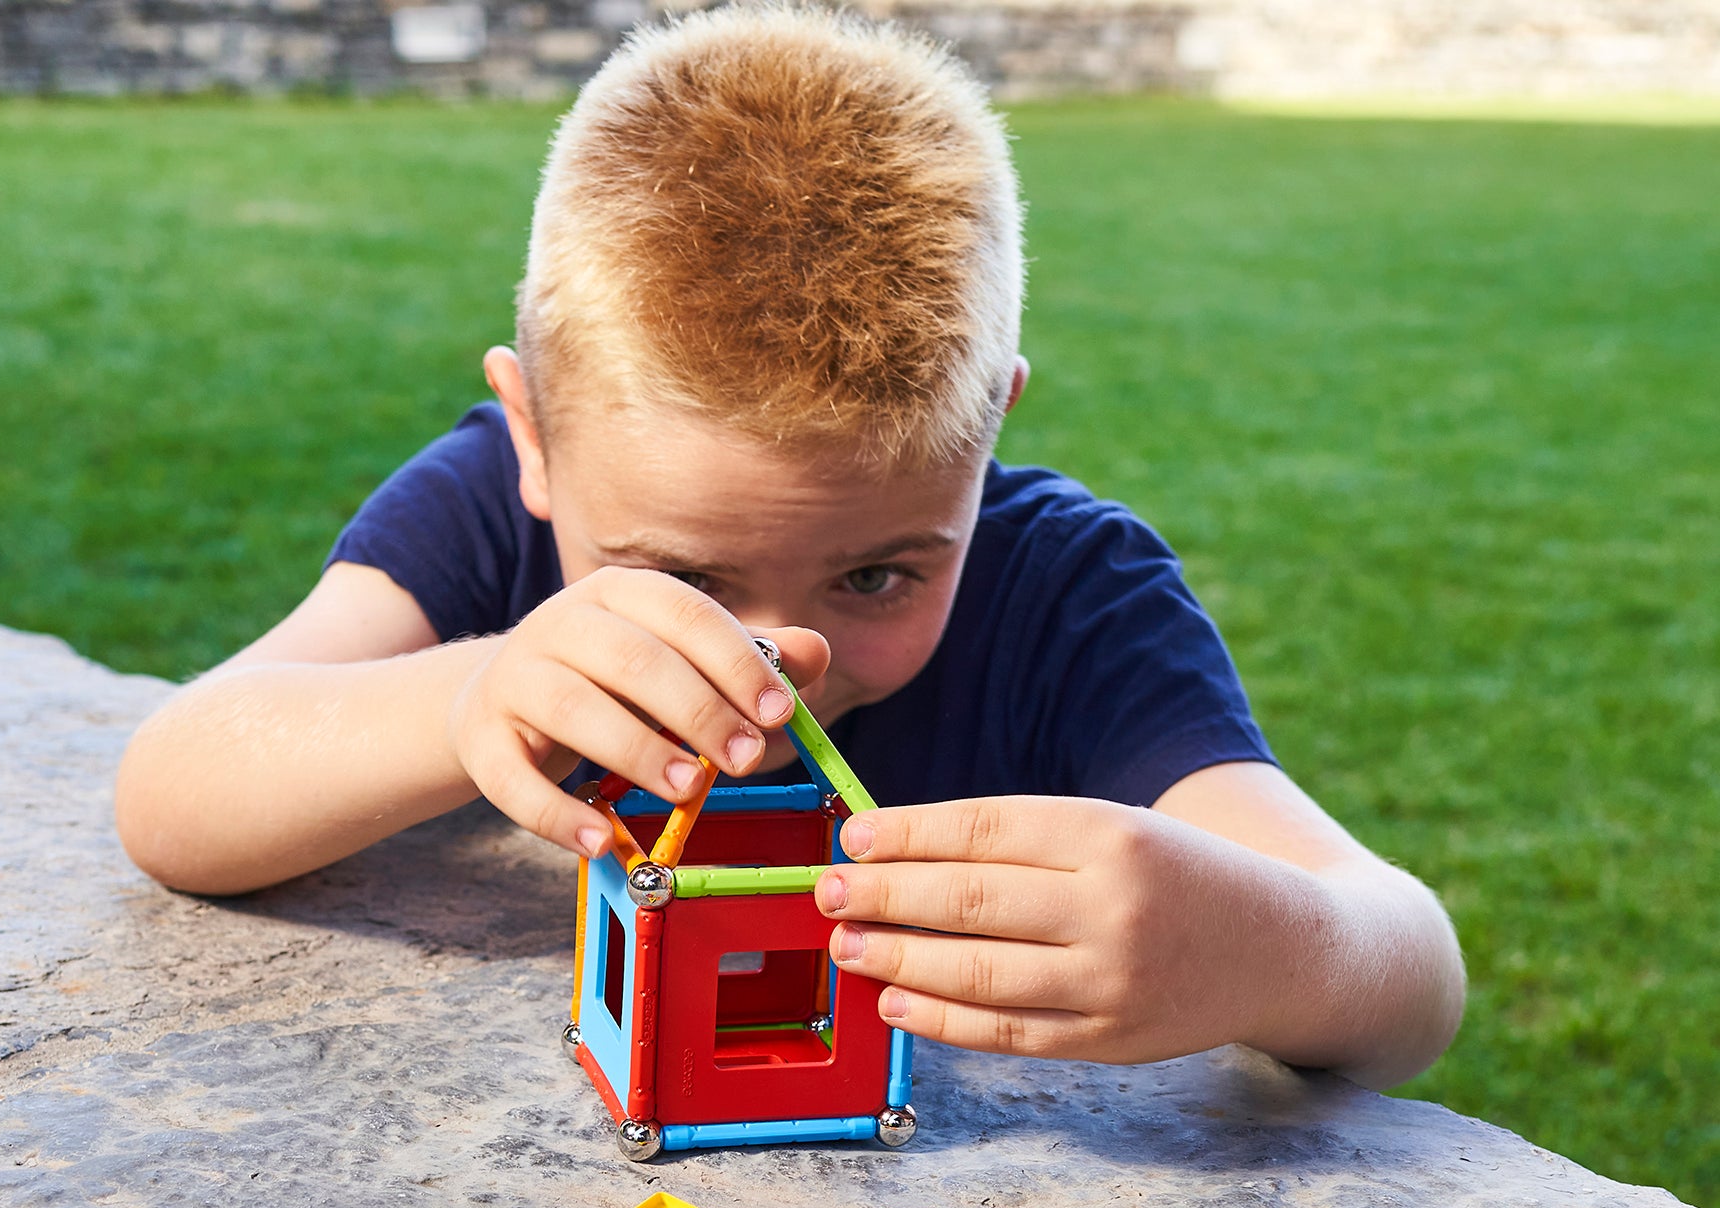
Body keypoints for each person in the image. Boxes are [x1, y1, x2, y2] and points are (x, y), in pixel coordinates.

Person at [115, 5, 1462, 1089]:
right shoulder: (483, 514)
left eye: (877, 574)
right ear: (533, 435)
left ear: (985, 440)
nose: (779, 658)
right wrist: (470, 694)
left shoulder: (1071, 596)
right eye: (681, 582)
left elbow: (1412, 971)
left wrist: (1264, 950)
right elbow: (175, 792)